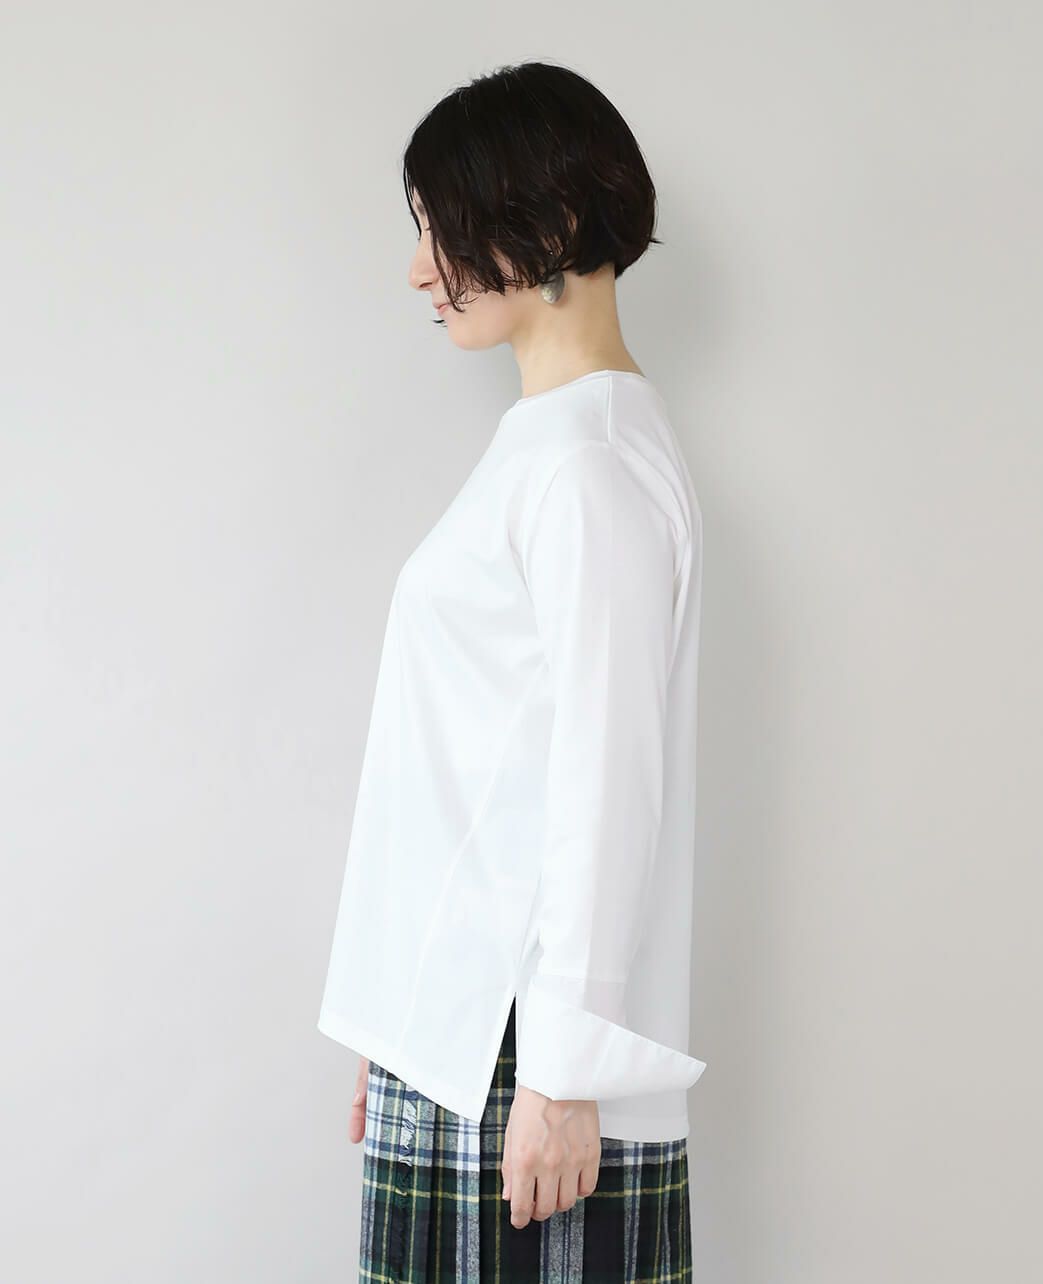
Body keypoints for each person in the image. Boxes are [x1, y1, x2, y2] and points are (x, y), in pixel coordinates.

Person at [317, 59, 706, 1281]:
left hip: (521, 1059)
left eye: (438, 227)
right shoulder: (550, 447)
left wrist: (563, 1075)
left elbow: (604, 781)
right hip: (466, 1038)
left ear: (544, 223)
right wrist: (396, 1017)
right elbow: (476, 763)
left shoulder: (586, 465)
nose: (418, 269)